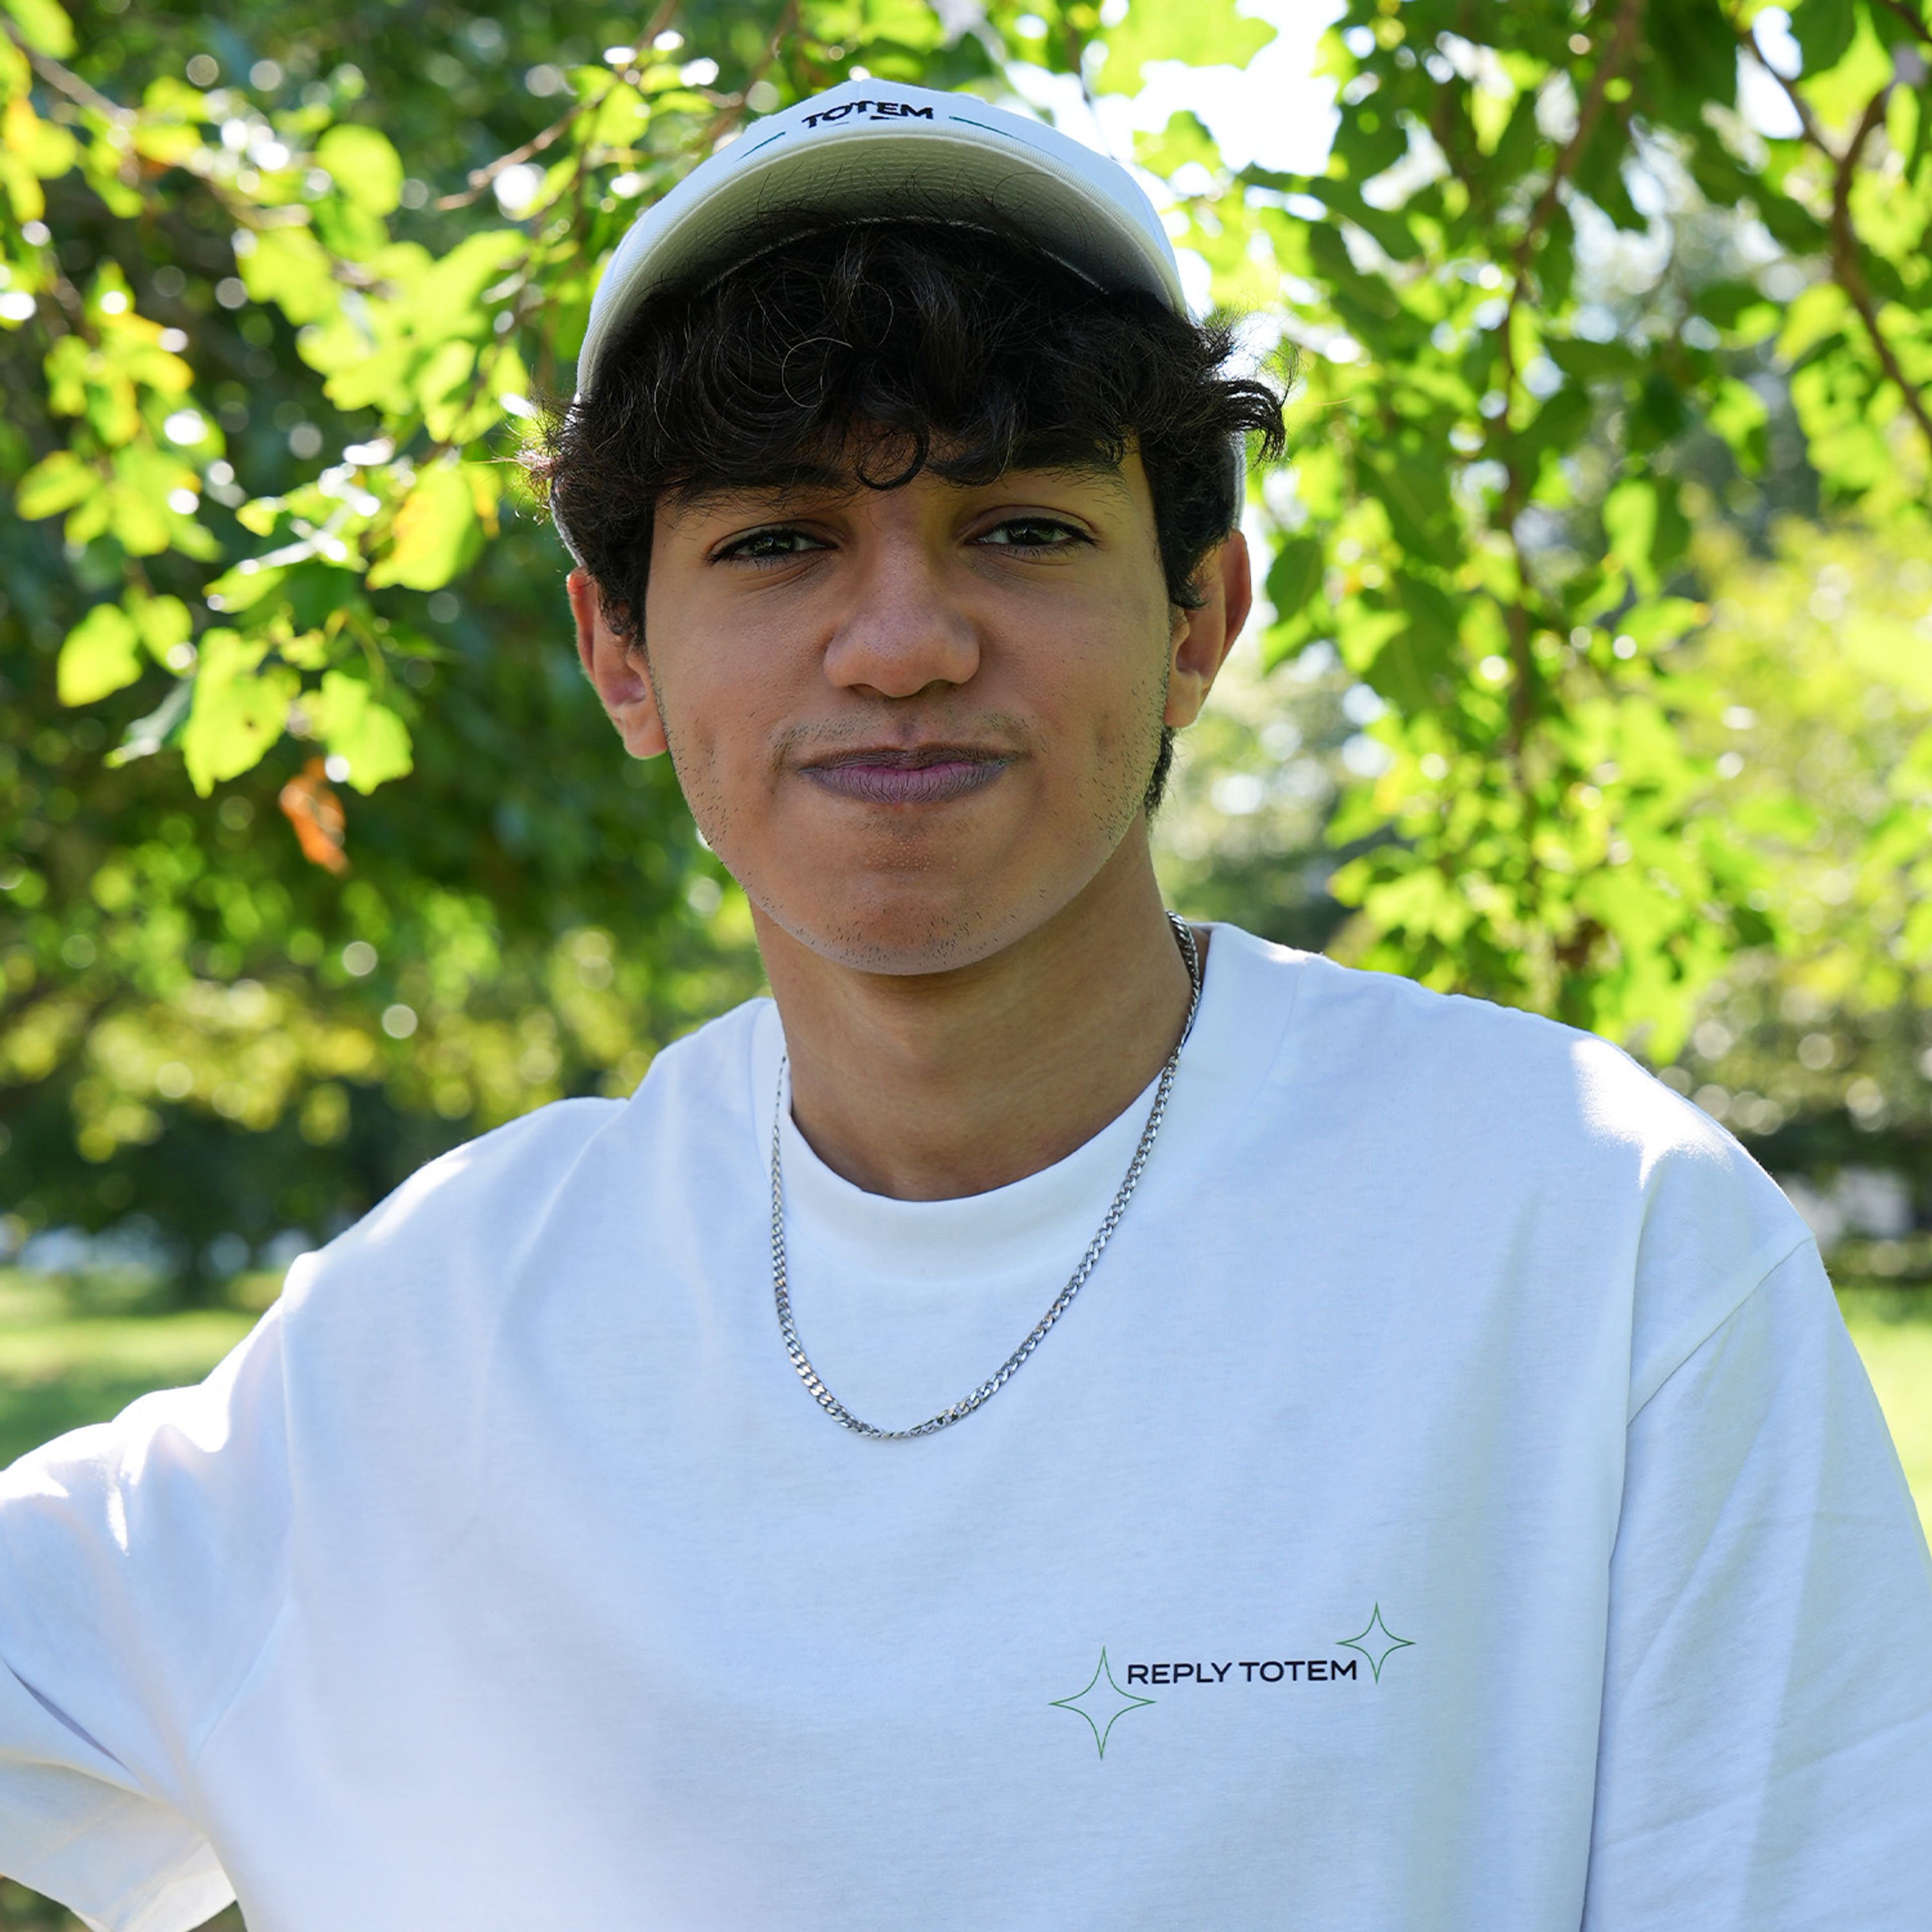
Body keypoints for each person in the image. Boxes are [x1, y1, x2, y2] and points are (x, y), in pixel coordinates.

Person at [3, 75, 1929, 1932]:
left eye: (1021, 529)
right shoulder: (420, 1340)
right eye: (775, 541)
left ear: (1200, 619)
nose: (905, 645)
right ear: (620, 653)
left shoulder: (1603, 1241)